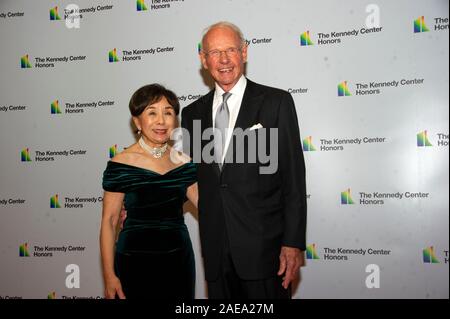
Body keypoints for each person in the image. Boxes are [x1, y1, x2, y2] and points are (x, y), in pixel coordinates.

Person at [181, 22, 307, 299]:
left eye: (231, 50)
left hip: (266, 251)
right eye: (215, 53)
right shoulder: (192, 114)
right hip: (215, 253)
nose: (224, 60)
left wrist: (293, 243)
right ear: (203, 60)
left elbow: (294, 179)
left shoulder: (276, 103)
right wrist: (140, 206)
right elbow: (185, 177)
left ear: (245, 52)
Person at [100, 84, 198, 299]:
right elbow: (109, 221)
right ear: (137, 121)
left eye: (168, 113)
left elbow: (212, 208)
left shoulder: (185, 163)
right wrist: (109, 275)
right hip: (134, 261)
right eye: (152, 113)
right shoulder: (120, 165)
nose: (161, 121)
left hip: (178, 261)